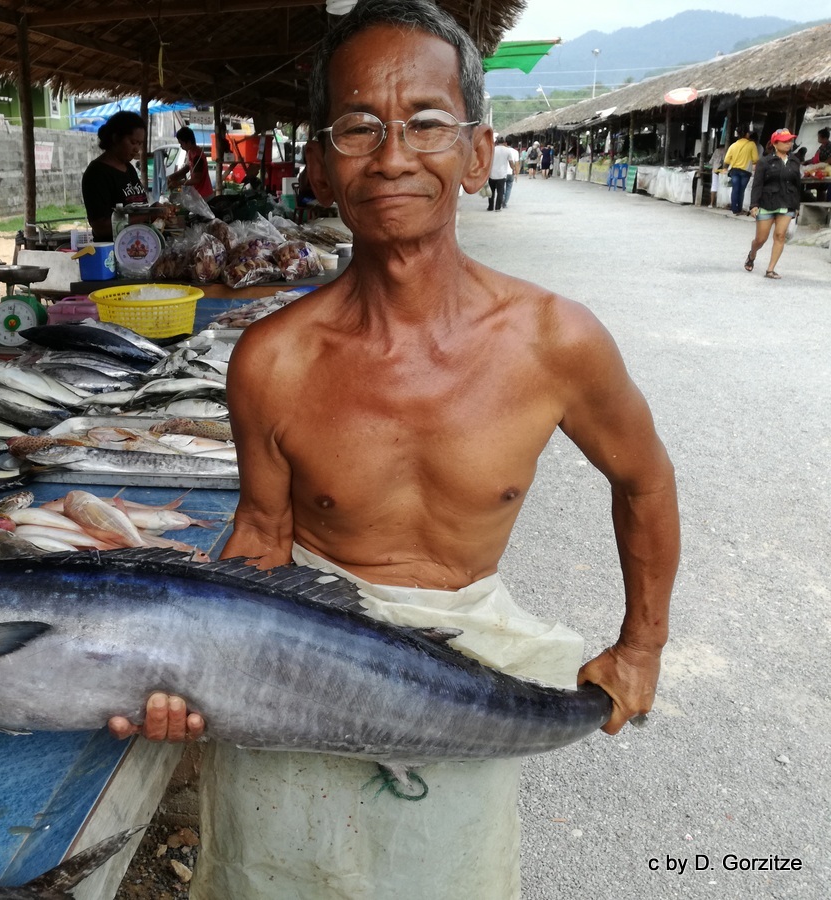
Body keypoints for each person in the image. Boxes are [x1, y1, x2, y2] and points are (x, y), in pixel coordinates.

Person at [108, 2, 680, 898]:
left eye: (424, 122)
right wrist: (184, 666)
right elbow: (263, 535)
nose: (393, 154)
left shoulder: (555, 342)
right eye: (358, 126)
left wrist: (641, 646)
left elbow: (644, 482)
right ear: (322, 166)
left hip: (465, 683)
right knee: (276, 876)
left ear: (478, 153)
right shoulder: (274, 359)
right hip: (295, 667)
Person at [80, 111, 147, 241]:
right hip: (113, 253)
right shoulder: (97, 174)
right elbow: (100, 227)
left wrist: (153, 209)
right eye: (133, 142)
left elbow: (136, 207)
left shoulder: (129, 169)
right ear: (116, 138)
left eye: (140, 144)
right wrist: (146, 217)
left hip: (136, 246)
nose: (137, 149)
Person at [745, 128, 802, 279]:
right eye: (785, 141)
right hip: (766, 203)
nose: (789, 143)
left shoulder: (795, 161)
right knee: (761, 239)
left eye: (790, 140)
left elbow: (797, 185)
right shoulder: (765, 162)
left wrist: (797, 206)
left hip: (787, 202)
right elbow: (757, 184)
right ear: (775, 143)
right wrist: (754, 205)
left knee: (780, 235)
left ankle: (770, 269)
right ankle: (752, 254)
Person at [168, 126, 214, 199]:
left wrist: (178, 183)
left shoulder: (197, 156)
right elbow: (186, 168)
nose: (181, 146)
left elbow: (196, 179)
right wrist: (171, 177)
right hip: (197, 193)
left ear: (189, 142)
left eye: (182, 144)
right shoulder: (190, 152)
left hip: (204, 195)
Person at [723, 126, 759, 216]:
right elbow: (755, 159)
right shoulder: (751, 144)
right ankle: (739, 208)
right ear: (747, 134)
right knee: (741, 190)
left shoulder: (733, 145)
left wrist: (734, 161)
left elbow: (726, 160)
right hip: (745, 171)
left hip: (734, 170)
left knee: (735, 189)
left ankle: (734, 209)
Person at [488, 134, 518, 211]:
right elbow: (511, 162)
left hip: (492, 174)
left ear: (497, 141)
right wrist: (513, 169)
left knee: (491, 192)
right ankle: (498, 207)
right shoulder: (507, 151)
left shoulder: (492, 149)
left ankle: (490, 207)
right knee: (500, 192)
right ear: (504, 141)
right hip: (501, 175)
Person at [708, 142, 727, 208]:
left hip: (715, 170)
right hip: (723, 171)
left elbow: (710, 162)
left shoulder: (716, 150)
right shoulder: (726, 150)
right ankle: (719, 204)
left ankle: (711, 203)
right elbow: (726, 161)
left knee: (714, 186)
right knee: (722, 186)